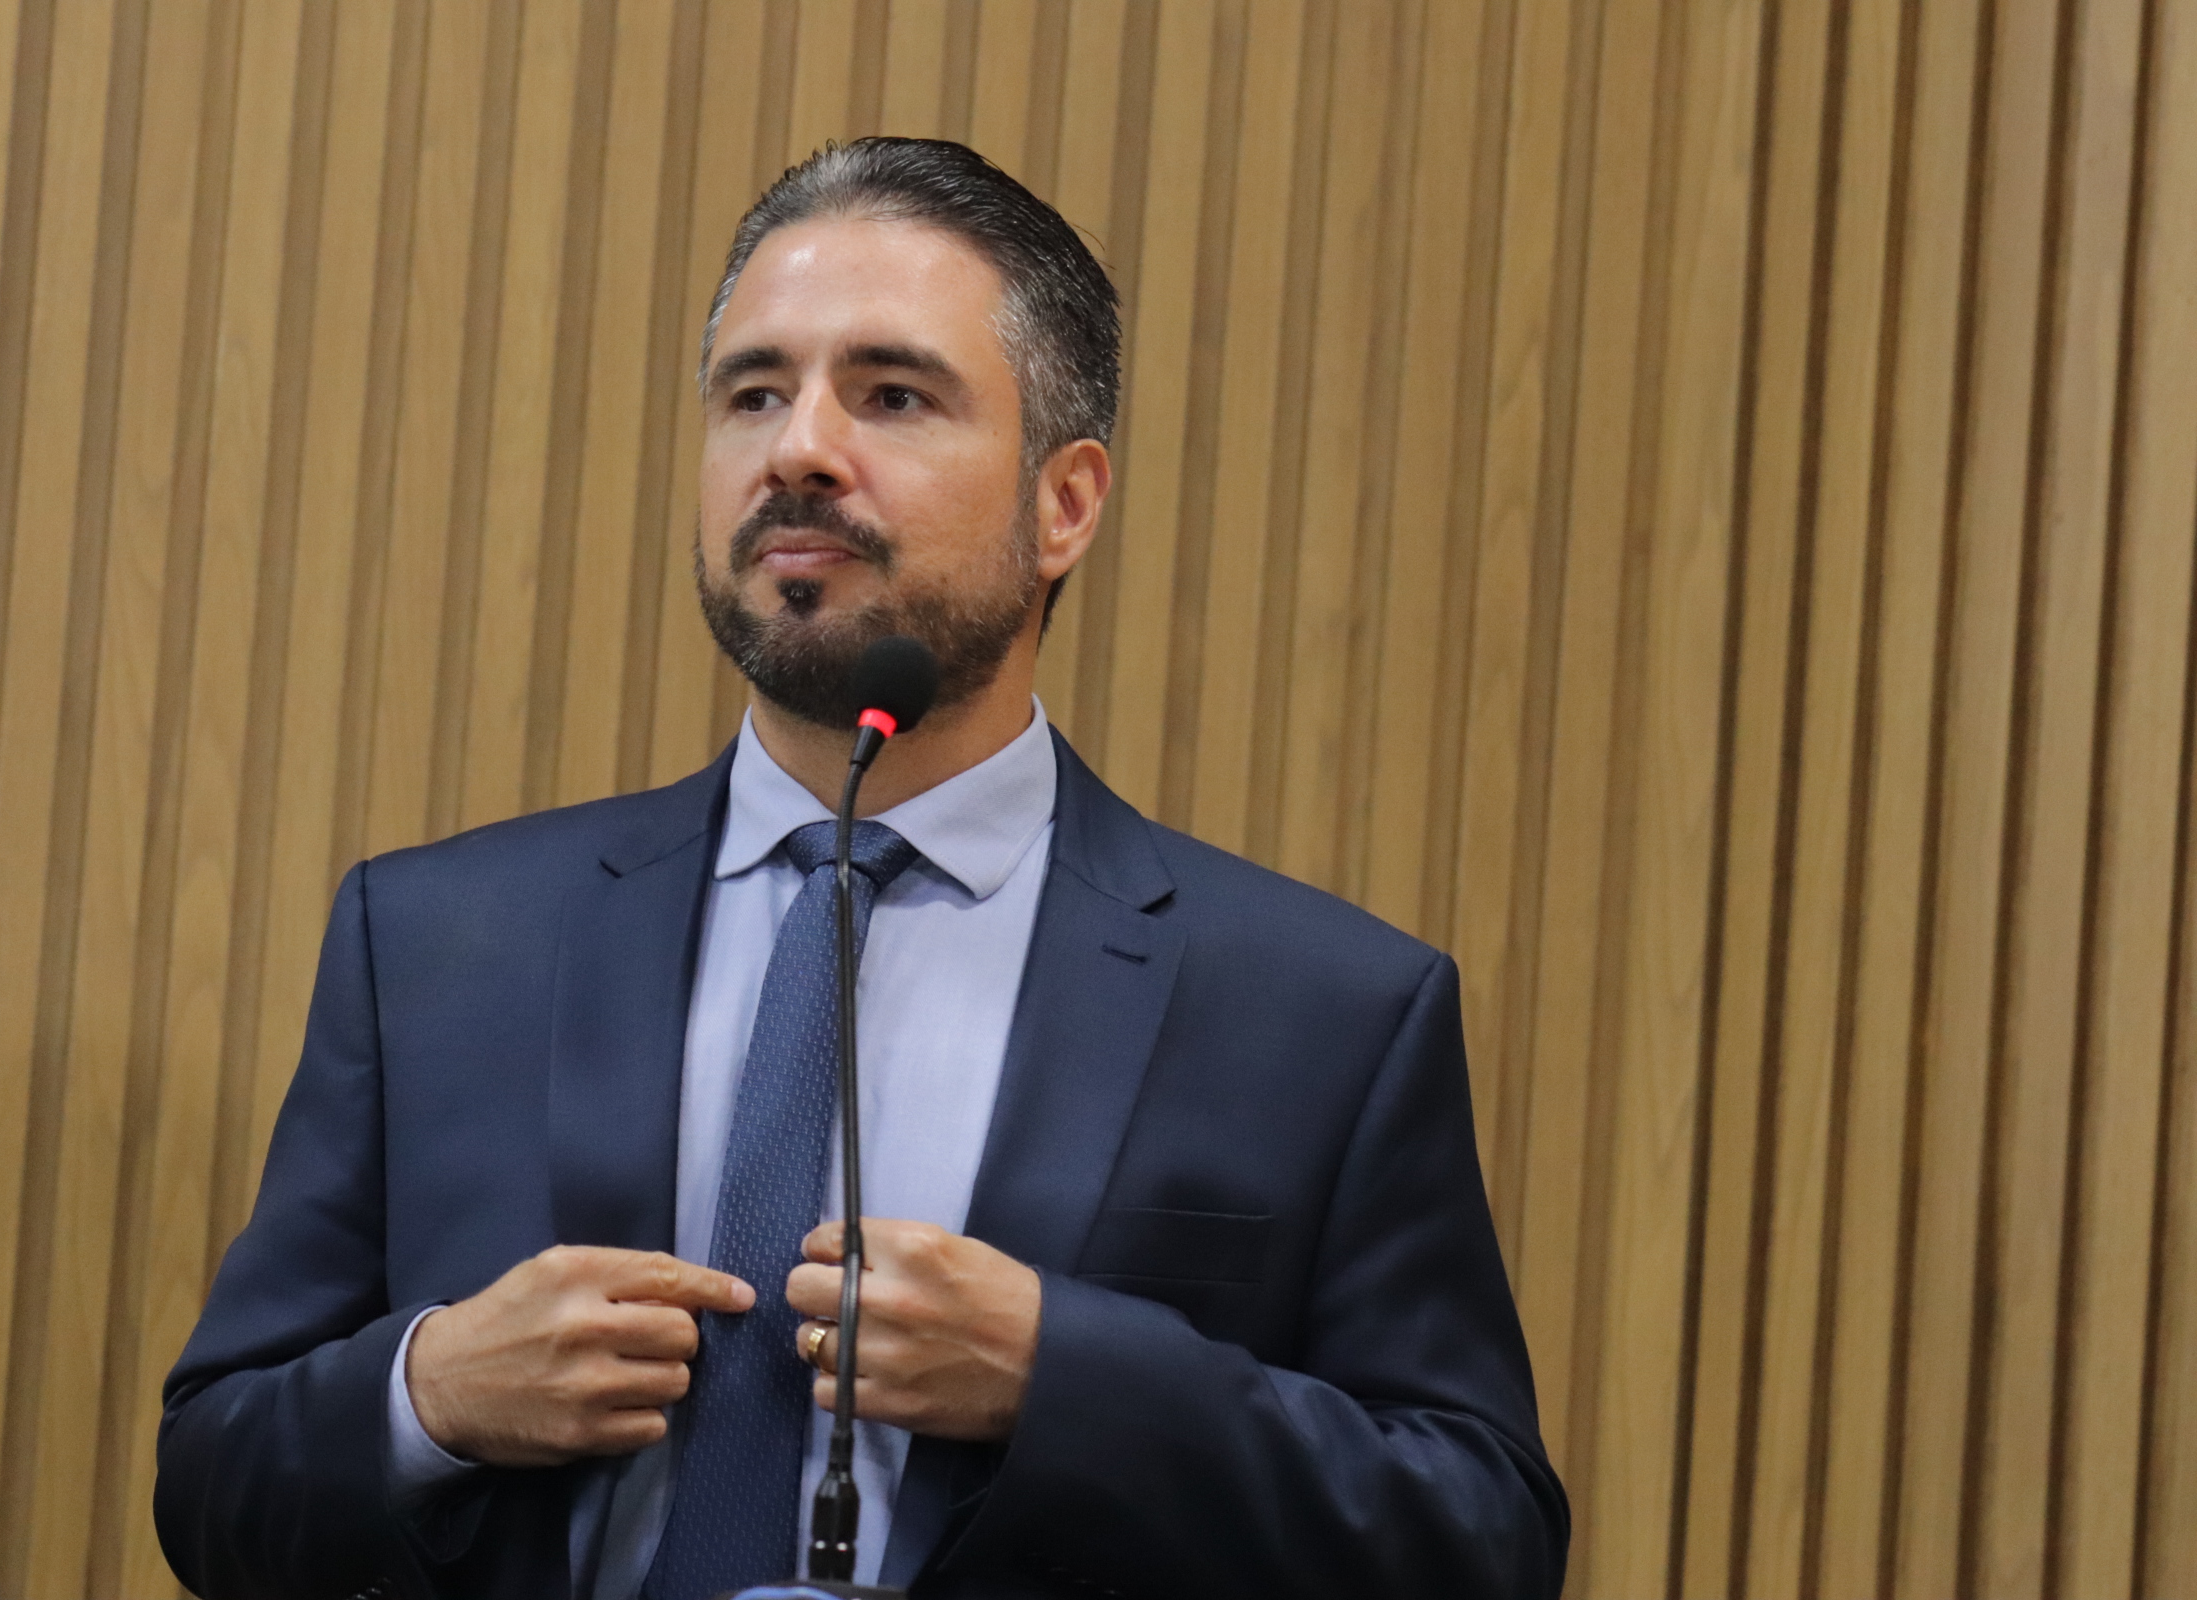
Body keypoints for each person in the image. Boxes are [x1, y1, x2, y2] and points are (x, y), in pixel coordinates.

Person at [155, 137, 1568, 1600]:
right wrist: (430, 1395)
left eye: (892, 395)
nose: (798, 450)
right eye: (754, 393)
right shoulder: (438, 943)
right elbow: (210, 1485)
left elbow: (1481, 1537)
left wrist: (1068, 1378)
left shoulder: (1319, 1010)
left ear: (1064, 504)